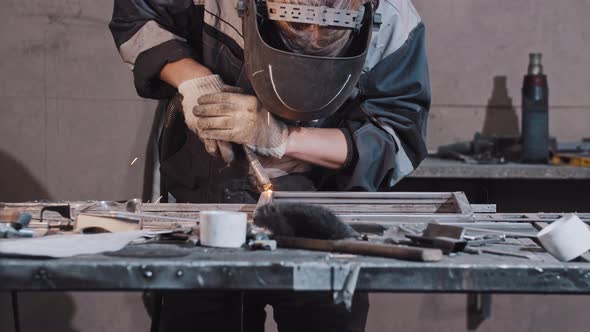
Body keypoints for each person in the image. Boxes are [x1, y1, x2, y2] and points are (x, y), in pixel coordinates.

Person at [110, 0, 430, 331]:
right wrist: (193, 79)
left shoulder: (395, 20)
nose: (311, 36)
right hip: (206, 207)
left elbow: (396, 136)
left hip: (325, 219)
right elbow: (136, 15)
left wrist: (284, 138)